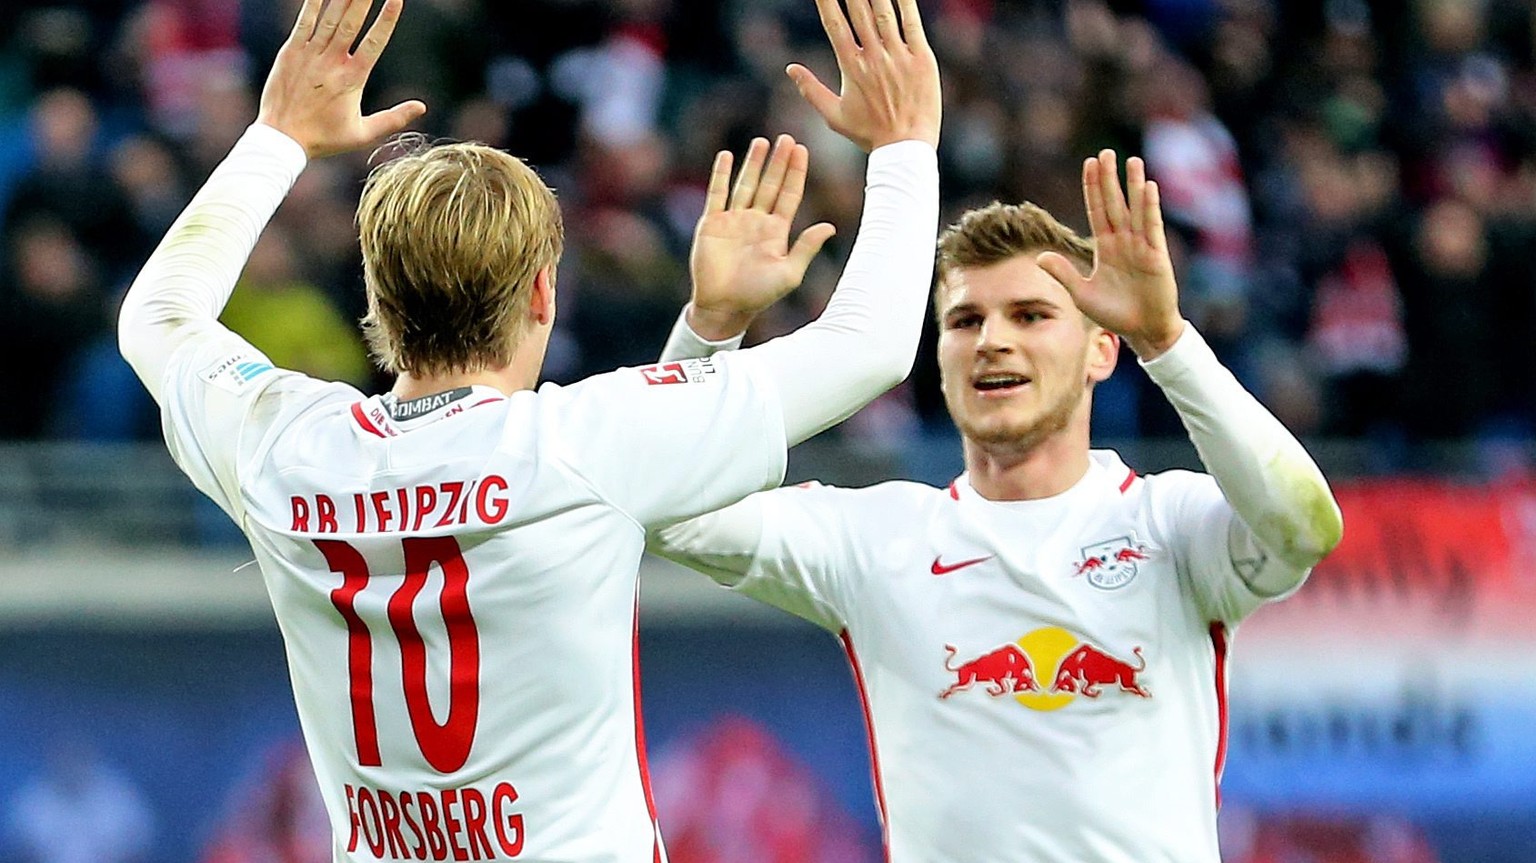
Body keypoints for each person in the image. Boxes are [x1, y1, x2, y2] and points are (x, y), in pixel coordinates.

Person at [115, 0, 942, 859]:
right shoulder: (582, 443)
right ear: (545, 295)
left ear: (376, 300)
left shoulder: (284, 447)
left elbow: (157, 313)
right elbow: (871, 346)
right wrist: (908, 143)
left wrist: (277, 135)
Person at [650, 151, 1345, 861]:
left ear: (1103, 349)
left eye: (1031, 314)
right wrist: (710, 325)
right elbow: (672, 511)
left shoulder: (1169, 525)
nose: (993, 340)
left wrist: (1167, 342)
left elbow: (1305, 525)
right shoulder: (879, 537)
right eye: (965, 320)